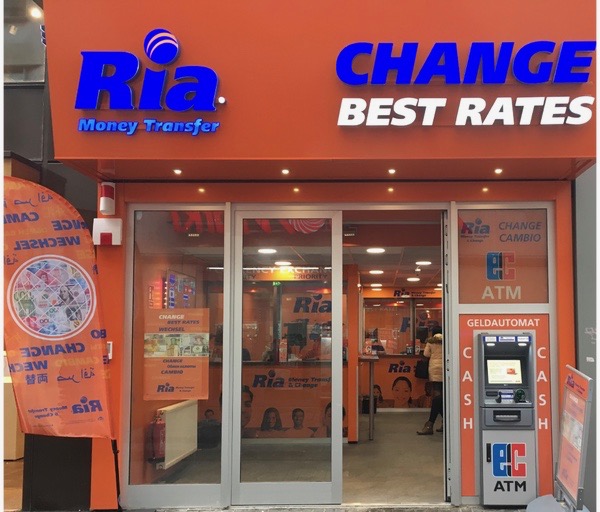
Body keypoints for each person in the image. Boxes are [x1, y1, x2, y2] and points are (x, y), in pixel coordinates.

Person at [417, 326, 444, 435]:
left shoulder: (431, 341)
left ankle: (430, 425)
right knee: (441, 398)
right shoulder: (447, 340)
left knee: (437, 397)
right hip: (446, 370)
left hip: (434, 369)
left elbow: (426, 354)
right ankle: (444, 422)